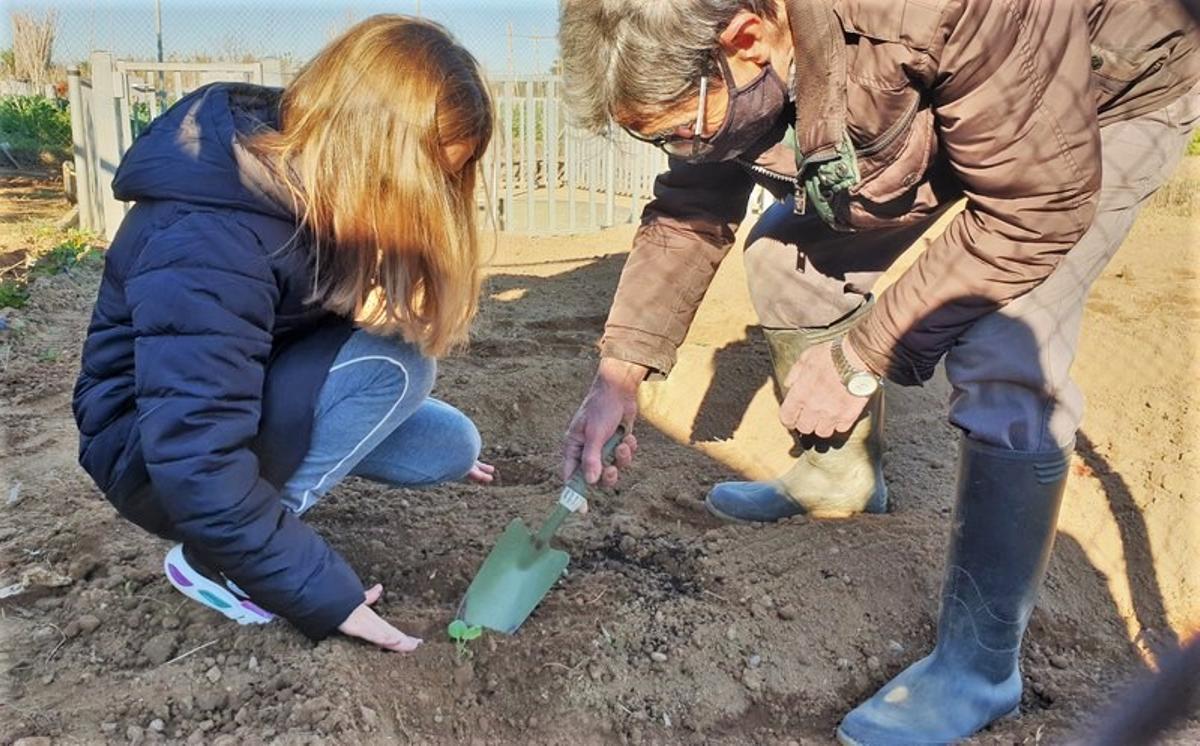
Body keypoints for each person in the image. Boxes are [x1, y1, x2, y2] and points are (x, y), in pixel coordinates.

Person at [557, 0, 1198, 743]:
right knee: (785, 256)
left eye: (678, 130)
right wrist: (619, 372)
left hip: (1101, 93)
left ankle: (978, 670)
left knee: (1001, 343)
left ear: (747, 37)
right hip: (940, 92)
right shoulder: (704, 48)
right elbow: (694, 200)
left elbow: (1033, 208)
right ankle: (840, 478)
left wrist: (862, 358)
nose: (680, 147)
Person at [72, 15, 496, 652]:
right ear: (367, 144)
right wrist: (318, 592)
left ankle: (252, 525)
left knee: (450, 444)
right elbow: (193, 452)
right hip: (149, 454)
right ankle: (215, 559)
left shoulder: (312, 190)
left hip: (218, 412)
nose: (431, 199)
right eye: (423, 178)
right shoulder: (210, 238)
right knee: (398, 365)